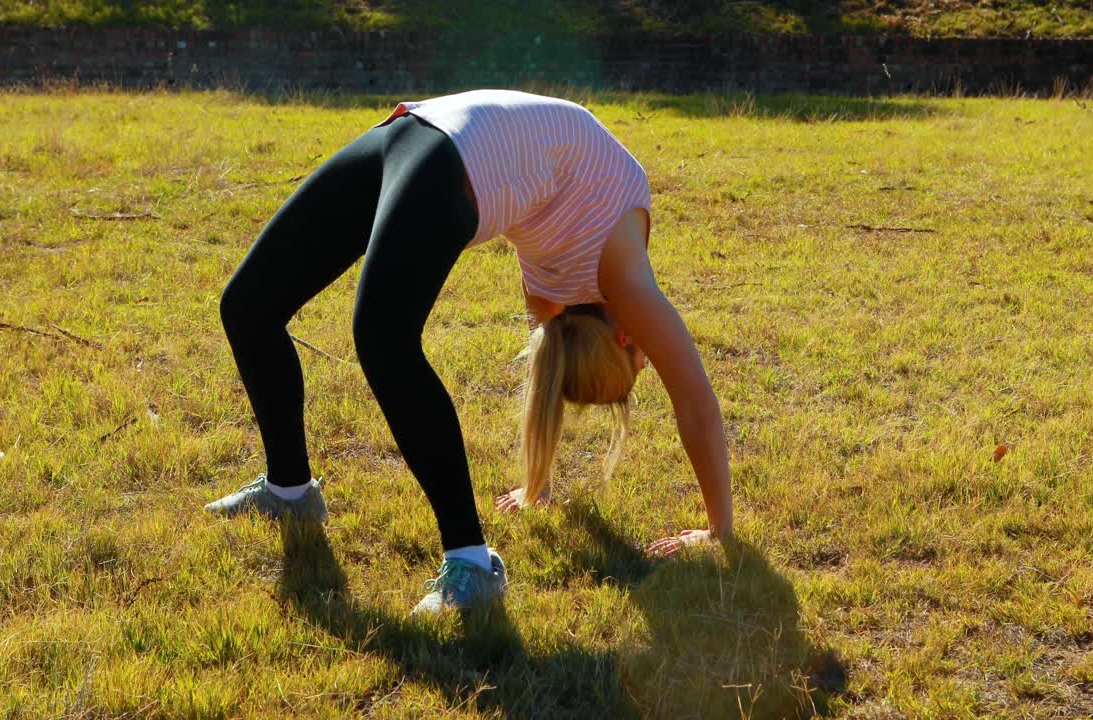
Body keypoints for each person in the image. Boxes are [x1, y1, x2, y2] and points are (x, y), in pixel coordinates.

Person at [205, 90, 733, 613]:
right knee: (252, 306)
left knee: (366, 334)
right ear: (624, 338)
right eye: (643, 361)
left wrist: (538, 487)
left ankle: (465, 558)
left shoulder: (559, 297)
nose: (649, 347)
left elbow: (551, 377)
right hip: (424, 132)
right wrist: (718, 532)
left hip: (433, 144)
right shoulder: (626, 279)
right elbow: (694, 400)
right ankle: (292, 491)